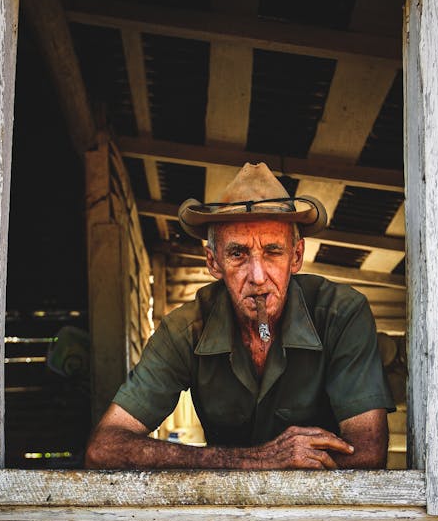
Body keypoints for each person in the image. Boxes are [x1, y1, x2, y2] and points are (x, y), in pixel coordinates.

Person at [85, 162, 396, 471]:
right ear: (213, 261)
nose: (257, 276)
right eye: (238, 254)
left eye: (273, 251)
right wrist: (258, 460)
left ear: (296, 256)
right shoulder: (184, 329)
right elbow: (105, 448)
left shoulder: (340, 314)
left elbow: (368, 453)